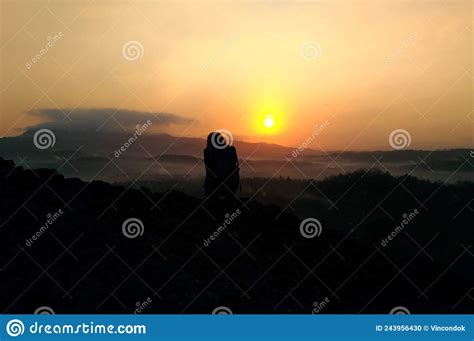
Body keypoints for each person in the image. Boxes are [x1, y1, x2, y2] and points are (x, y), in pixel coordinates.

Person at [203, 132, 240, 199]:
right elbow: (236, 168)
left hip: (214, 186)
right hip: (230, 185)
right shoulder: (231, 150)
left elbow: (209, 172)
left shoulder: (208, 152)